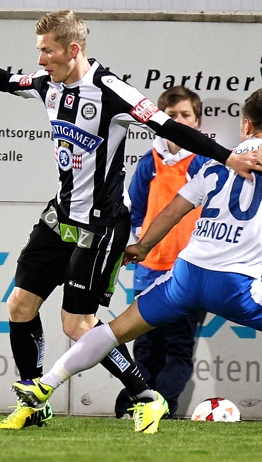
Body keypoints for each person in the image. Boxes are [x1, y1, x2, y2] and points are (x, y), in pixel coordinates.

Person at [0, 10, 262, 431]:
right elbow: (4, 80)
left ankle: (144, 396)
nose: (40, 61)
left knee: (78, 325)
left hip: (100, 227)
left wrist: (228, 157)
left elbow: (170, 126)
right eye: (39, 52)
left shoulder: (111, 91)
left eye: (48, 52)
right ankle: (33, 399)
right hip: (58, 217)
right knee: (20, 305)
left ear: (73, 50)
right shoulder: (47, 86)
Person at [12, 88, 262, 440]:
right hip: (235, 283)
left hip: (185, 275)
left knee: (114, 331)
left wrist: (143, 246)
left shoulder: (219, 159)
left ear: (245, 124)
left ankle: (46, 384)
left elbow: (177, 207)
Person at [115, 86, 206, 419]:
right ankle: (132, 407)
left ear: (197, 123)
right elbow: (135, 209)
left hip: (188, 274)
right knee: (145, 349)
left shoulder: (204, 163)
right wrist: (140, 237)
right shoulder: (148, 162)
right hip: (149, 271)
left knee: (178, 349)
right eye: (172, 115)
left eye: (185, 115)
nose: (178, 121)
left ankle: (161, 409)